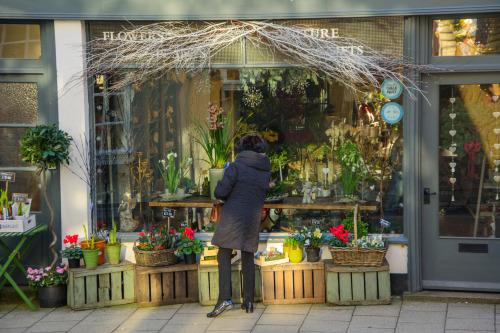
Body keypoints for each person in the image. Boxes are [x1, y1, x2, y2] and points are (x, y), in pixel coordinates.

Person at [206, 133, 272, 318]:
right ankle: (248, 301)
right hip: (252, 217)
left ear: (242, 149)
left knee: (224, 254)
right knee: (248, 255)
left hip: (232, 216)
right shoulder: (266, 169)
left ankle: (224, 299)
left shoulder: (235, 167)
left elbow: (220, 191)